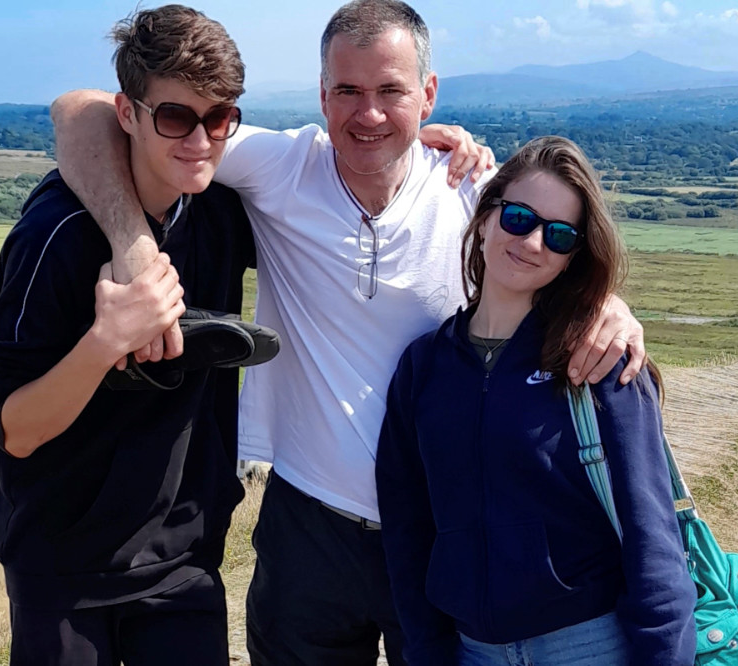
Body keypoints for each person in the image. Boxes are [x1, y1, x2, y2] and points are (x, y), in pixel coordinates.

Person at [50, 2, 649, 663]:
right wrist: (133, 248)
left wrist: (606, 307)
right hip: (308, 527)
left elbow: (556, 245)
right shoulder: (282, 165)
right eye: (348, 91)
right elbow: (78, 110)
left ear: (428, 94)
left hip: (441, 525)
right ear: (322, 95)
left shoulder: (474, 190)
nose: (368, 115)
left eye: (391, 91)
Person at [0, 7, 257, 664]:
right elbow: (15, 427)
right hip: (63, 573)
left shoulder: (218, 210)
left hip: (183, 558)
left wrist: (419, 145)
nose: (200, 140)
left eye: (219, 119)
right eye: (176, 117)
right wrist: (105, 341)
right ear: (128, 113)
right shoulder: (56, 237)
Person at [376, 136, 697, 666]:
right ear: (484, 218)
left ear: (573, 258)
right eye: (520, 218)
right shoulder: (424, 367)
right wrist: (426, 651)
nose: (533, 242)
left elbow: (651, 535)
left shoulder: (597, 360)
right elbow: (408, 530)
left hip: (590, 646)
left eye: (561, 235)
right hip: (470, 650)